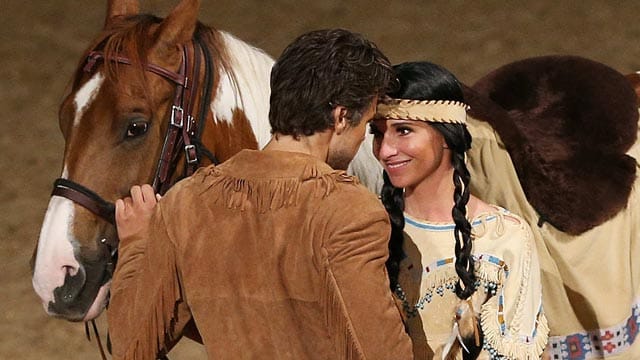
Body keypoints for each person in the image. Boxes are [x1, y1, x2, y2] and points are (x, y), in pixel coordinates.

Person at [109, 29, 414, 359]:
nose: (363, 143)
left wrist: (136, 244)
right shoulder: (348, 210)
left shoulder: (185, 204)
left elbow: (131, 346)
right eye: (366, 125)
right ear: (340, 118)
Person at [369, 61, 549, 359]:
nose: (385, 150)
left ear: (447, 137)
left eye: (403, 130)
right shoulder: (365, 225)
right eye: (377, 133)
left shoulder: (504, 238)